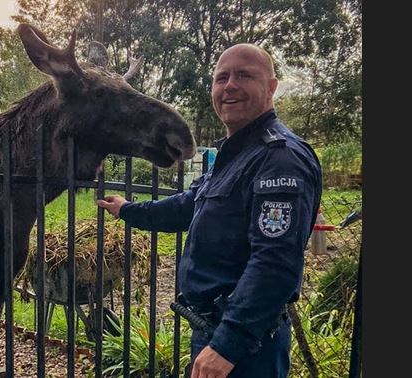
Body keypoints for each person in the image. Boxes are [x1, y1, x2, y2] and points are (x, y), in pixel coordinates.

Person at [97, 43, 322, 378]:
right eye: (221, 78)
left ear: (272, 87)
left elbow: (275, 262)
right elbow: (186, 207)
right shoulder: (234, 157)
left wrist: (227, 345)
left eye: (244, 75)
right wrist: (129, 210)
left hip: (246, 346)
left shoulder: (279, 158)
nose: (229, 85)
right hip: (213, 331)